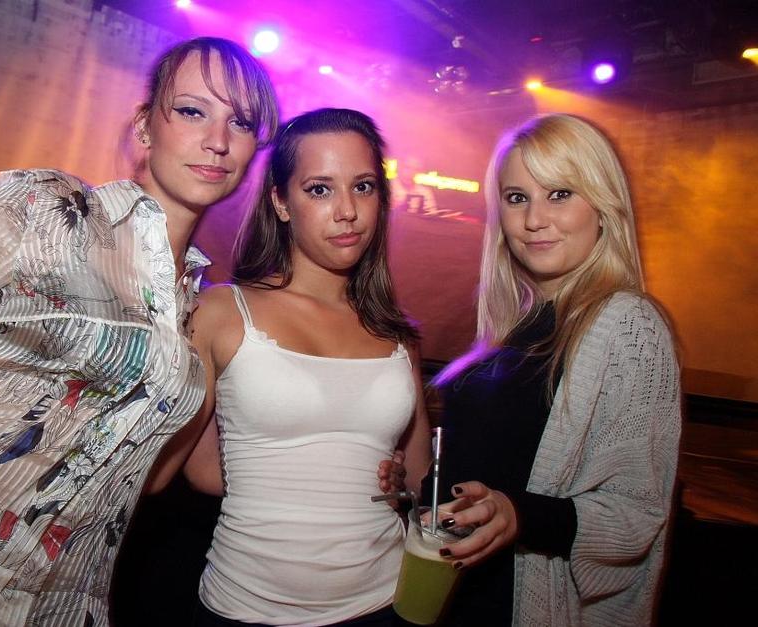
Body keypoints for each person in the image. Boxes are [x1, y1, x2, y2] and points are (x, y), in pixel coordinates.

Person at [0, 37, 279, 627]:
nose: (218, 140)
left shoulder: (202, 308)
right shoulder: (46, 210)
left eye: (241, 122)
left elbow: (154, 474)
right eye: (192, 111)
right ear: (145, 126)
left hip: (39, 609)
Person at [149, 107, 431, 626]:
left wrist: (396, 482)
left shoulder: (396, 335)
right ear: (280, 201)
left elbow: (415, 476)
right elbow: (197, 472)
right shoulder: (220, 312)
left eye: (363, 187)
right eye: (319, 189)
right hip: (246, 606)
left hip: (384, 602)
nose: (347, 210)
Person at [422, 113, 681, 626]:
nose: (534, 219)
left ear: (603, 206)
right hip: (454, 593)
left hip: (522, 605)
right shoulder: (518, 326)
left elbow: (636, 515)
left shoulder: (628, 324)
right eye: (517, 198)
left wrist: (517, 514)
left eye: (559, 194)